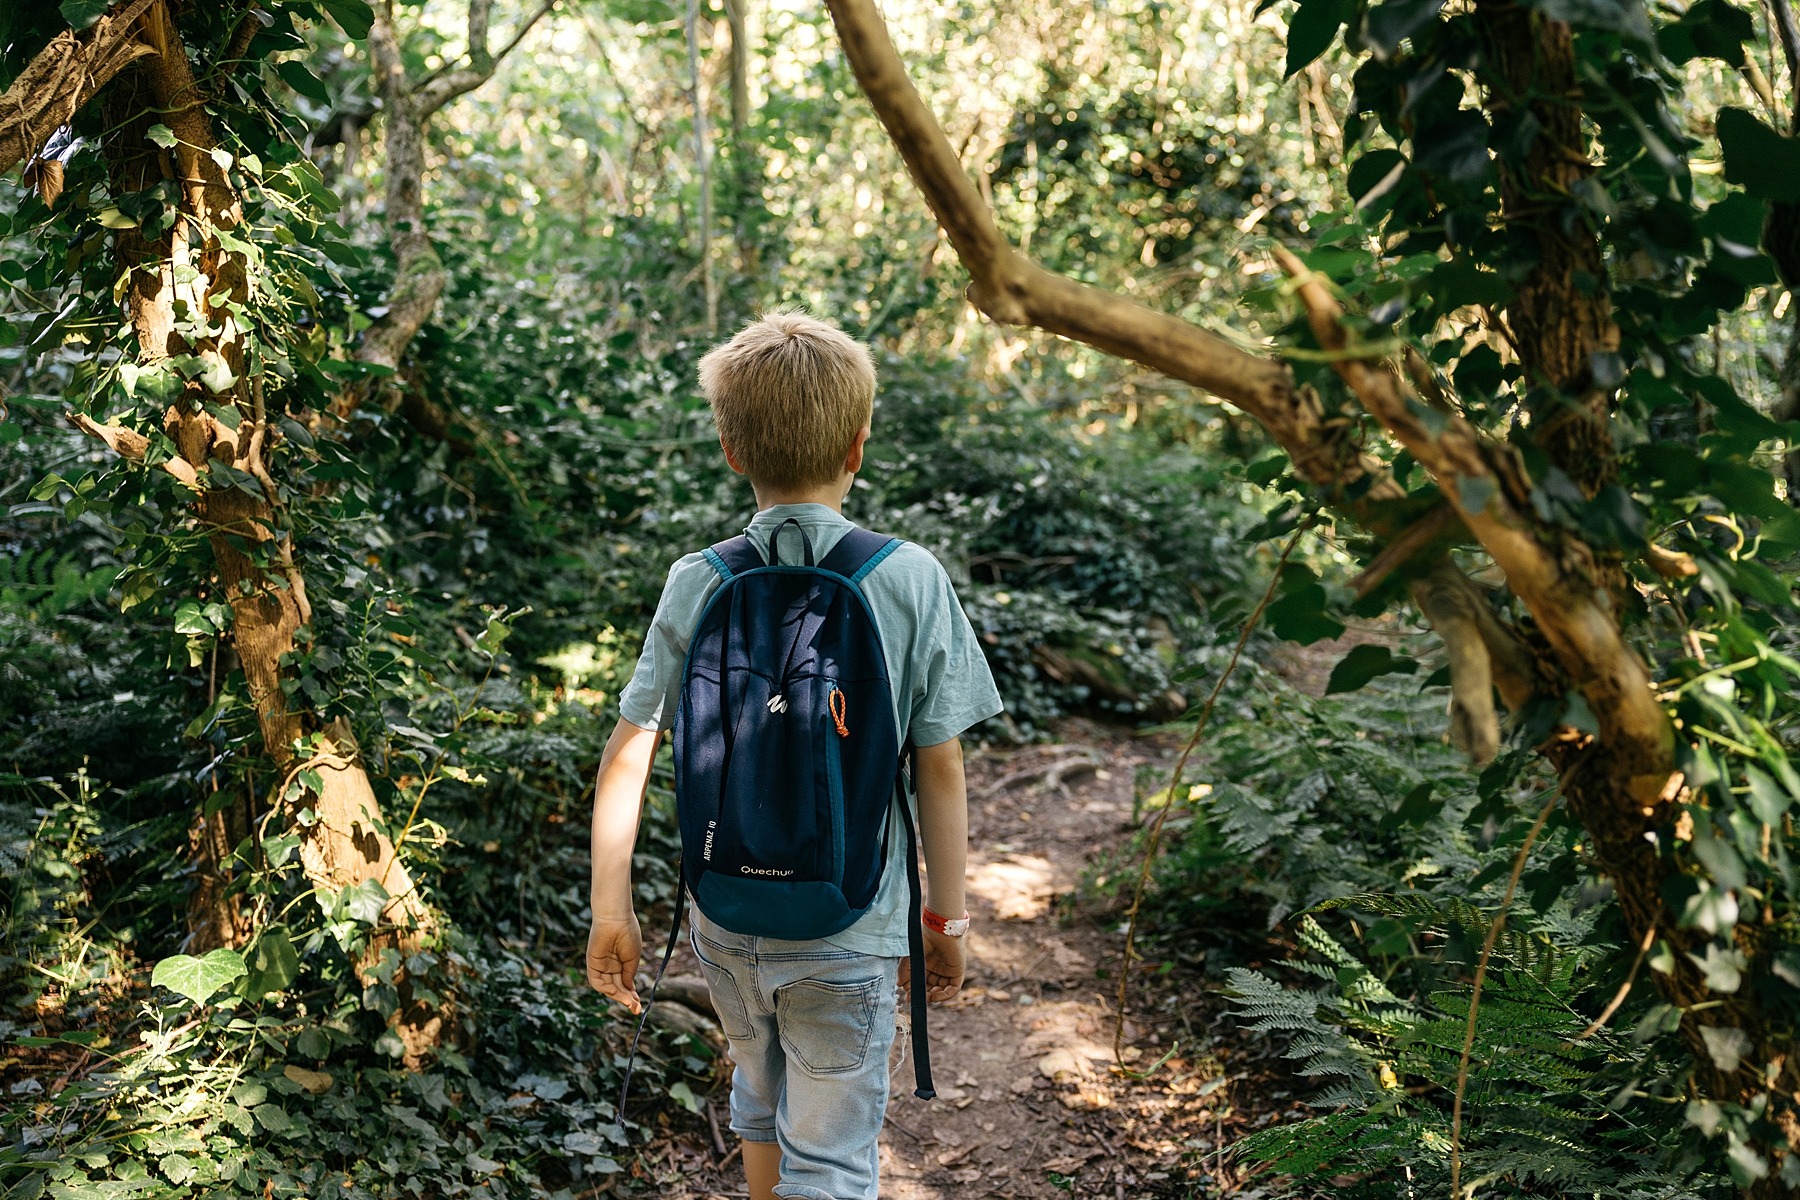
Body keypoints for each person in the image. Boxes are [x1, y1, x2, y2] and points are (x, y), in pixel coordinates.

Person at [584, 309, 1003, 1200]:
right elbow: (941, 764)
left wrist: (610, 910)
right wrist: (948, 924)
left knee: (759, 1093)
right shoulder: (907, 577)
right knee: (834, 1156)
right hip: (850, 929)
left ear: (731, 448)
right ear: (858, 446)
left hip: (726, 916)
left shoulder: (700, 579)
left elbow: (631, 748)